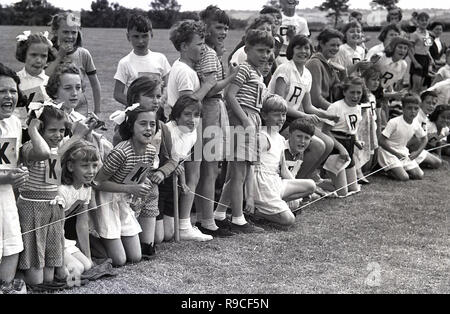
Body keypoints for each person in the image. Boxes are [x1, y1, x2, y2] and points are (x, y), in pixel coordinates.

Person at [18, 103, 91, 285]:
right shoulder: (29, 148)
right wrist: (32, 128)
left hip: (50, 211)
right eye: (52, 130)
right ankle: (11, 276)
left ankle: (63, 270)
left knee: (49, 278)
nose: (58, 135)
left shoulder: (53, 151)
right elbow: (43, 153)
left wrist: (76, 136)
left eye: (61, 130)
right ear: (39, 128)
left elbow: (55, 162)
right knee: (36, 280)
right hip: (32, 211)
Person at [214, 29, 274, 234]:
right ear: (247, 49)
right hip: (243, 119)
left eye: (268, 51)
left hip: (252, 119)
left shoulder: (257, 72)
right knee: (239, 172)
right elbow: (229, 95)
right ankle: (239, 219)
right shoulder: (244, 68)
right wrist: (245, 119)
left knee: (239, 171)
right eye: (260, 50)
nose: (265, 55)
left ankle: (220, 213)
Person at [166, 20, 216, 241]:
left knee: (189, 176)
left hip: (185, 130)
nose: (203, 48)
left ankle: (183, 222)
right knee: (191, 176)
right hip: (185, 130)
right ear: (184, 46)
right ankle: (184, 225)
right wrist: (208, 85)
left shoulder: (183, 68)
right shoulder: (185, 71)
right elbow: (189, 103)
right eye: (199, 43)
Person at [93, 105, 157, 266]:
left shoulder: (150, 151)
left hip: (123, 200)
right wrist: (129, 189)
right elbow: (97, 183)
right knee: (119, 260)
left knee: (136, 257)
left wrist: (142, 186)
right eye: (143, 124)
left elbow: (139, 177)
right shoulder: (121, 152)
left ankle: (115, 240)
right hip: (106, 199)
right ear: (131, 126)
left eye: (152, 124)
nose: (149, 128)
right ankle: (89, 239)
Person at [268, 35, 337, 180]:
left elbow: (309, 106)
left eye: (306, 48)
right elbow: (280, 103)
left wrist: (328, 115)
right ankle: (294, 183)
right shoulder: (284, 69)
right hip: (277, 119)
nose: (303, 51)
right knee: (318, 146)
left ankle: (304, 179)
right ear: (291, 50)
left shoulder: (307, 74)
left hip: (294, 118)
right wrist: (304, 116)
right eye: (298, 47)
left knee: (329, 143)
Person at [194, 6, 237, 238]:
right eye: (218, 27)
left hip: (211, 110)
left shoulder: (210, 51)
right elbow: (211, 89)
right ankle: (207, 221)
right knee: (210, 168)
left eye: (226, 28)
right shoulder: (208, 53)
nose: (223, 32)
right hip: (211, 110)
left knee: (208, 167)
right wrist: (231, 76)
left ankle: (204, 217)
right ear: (205, 27)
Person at [252, 95, 316, 226]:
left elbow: (283, 169)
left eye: (283, 115)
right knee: (289, 219)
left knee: (311, 185)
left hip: (276, 181)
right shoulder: (262, 137)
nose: (281, 119)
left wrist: (297, 188)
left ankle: (275, 205)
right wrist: (247, 194)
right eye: (276, 115)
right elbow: (250, 167)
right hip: (262, 183)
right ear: (264, 116)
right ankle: (255, 211)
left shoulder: (280, 138)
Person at [157, 95, 213, 242]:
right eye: (187, 114)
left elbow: (180, 159)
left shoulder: (192, 133)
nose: (192, 119)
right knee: (159, 236)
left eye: (196, 115)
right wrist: (171, 167)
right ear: (176, 115)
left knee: (168, 235)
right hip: (158, 183)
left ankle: (179, 228)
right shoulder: (169, 131)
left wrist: (182, 182)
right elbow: (165, 158)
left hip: (171, 184)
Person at [0, 63, 29, 293]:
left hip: (6, 198)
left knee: (12, 247)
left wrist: (19, 173)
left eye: (12, 90)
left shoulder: (14, 123)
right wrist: (6, 178)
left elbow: (10, 162)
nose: (9, 96)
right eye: (2, 91)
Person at [46, 12, 101, 115]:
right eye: (65, 32)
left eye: (74, 32)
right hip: (54, 103)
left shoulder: (83, 54)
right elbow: (45, 76)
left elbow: (95, 84)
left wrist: (97, 110)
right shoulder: (48, 52)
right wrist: (60, 56)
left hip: (78, 104)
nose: (70, 36)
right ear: (55, 31)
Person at [58, 141, 99, 278]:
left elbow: (82, 223)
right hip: (52, 240)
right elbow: (56, 228)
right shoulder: (62, 190)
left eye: (94, 166)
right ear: (70, 166)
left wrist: (88, 256)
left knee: (86, 265)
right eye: (85, 166)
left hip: (63, 239)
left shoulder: (86, 188)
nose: (91, 171)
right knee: (77, 269)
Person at [113, 14, 171, 107]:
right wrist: (138, 106)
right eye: (136, 36)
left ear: (151, 34)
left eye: (144, 36)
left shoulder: (161, 59)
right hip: (136, 118)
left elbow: (167, 86)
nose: (140, 41)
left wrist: (160, 101)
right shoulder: (125, 63)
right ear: (128, 37)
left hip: (158, 115)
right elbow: (118, 94)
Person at [322, 76, 366, 197]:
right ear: (344, 92)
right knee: (342, 192)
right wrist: (341, 148)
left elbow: (352, 129)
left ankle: (333, 182)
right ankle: (314, 184)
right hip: (336, 148)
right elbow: (325, 131)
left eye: (359, 92)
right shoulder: (336, 107)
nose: (356, 96)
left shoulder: (357, 107)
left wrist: (356, 140)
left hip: (349, 146)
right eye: (352, 92)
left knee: (353, 187)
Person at [378, 93, 427, 181]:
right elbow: (381, 141)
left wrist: (417, 152)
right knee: (404, 178)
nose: (413, 111)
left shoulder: (415, 123)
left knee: (419, 175)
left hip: (402, 151)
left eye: (416, 108)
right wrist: (395, 154)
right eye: (409, 108)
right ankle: (387, 170)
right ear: (403, 108)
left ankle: (399, 169)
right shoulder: (394, 122)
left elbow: (425, 138)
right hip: (388, 152)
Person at [14, 31, 55, 131]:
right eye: (33, 55)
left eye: (43, 56)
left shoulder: (50, 83)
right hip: (18, 130)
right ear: (24, 55)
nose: (38, 60)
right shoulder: (15, 80)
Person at [306, 28, 345, 111]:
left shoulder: (329, 64)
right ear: (321, 44)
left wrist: (344, 73)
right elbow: (315, 100)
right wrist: (338, 111)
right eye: (332, 45)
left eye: (338, 45)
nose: (336, 48)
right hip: (316, 114)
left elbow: (339, 94)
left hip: (325, 110)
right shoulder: (315, 63)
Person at [355, 67, 380, 184]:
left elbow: (376, 117)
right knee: (361, 157)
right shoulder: (361, 95)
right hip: (362, 130)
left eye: (378, 80)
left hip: (372, 128)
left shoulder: (373, 96)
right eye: (373, 80)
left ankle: (360, 171)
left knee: (369, 166)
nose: (376, 83)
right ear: (364, 80)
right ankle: (356, 172)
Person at [411, 91, 442, 169]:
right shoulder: (416, 115)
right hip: (410, 148)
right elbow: (414, 138)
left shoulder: (425, 117)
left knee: (437, 161)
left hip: (418, 147)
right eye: (428, 103)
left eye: (434, 104)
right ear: (420, 103)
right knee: (437, 162)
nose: (431, 106)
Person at [277, 0, 310, 64]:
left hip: (294, 58)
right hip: (277, 57)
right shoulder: (276, 19)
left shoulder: (302, 21)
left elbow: (303, 43)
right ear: (281, 2)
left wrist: (293, 38)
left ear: (297, 2)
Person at [409, 12, 434, 92]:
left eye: (426, 20)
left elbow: (427, 49)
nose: (424, 22)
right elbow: (409, 49)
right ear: (418, 22)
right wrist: (415, 62)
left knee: (421, 87)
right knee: (415, 87)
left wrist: (431, 59)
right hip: (418, 58)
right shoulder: (415, 34)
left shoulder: (428, 34)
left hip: (425, 59)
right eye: (422, 20)